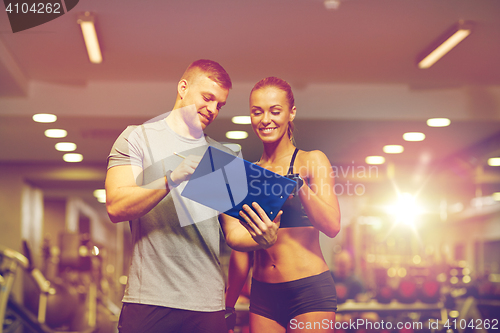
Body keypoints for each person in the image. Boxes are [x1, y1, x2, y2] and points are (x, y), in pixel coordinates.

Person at [105, 60, 281, 333]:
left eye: (220, 104)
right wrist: (170, 180)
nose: (212, 109)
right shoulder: (137, 138)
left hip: (207, 304)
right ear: (183, 88)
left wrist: (262, 238)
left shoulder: (224, 157)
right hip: (149, 299)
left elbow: (233, 234)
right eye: (207, 98)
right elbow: (116, 207)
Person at [224, 77, 341, 332]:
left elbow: (332, 226)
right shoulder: (249, 174)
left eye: (275, 111)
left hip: (309, 290)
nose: (266, 119)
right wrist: (228, 305)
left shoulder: (312, 161)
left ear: (291, 113)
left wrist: (297, 187)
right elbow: (241, 250)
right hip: (263, 294)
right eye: (257, 112)